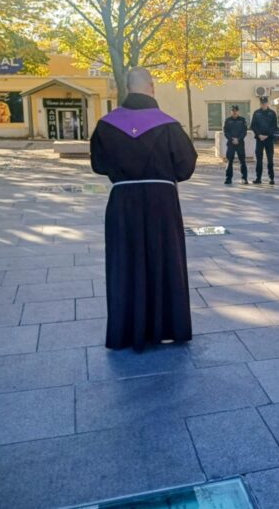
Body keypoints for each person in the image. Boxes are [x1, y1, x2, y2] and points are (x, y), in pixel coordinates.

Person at [90, 67, 197, 351]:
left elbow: (99, 165)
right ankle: (166, 327)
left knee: (126, 263)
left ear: (126, 88)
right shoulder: (168, 124)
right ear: (151, 87)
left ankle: (128, 331)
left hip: (123, 201)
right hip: (161, 201)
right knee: (165, 260)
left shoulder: (106, 124)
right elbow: (185, 167)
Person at [250, 96, 278, 185]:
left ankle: (271, 178)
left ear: (268, 103)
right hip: (259, 140)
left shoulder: (272, 113)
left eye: (265, 102)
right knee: (259, 160)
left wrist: (267, 135)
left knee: (270, 160)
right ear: (260, 104)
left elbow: (274, 126)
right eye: (262, 103)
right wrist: (259, 135)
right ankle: (258, 178)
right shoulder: (256, 113)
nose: (263, 104)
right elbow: (253, 126)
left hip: (269, 140)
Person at [223, 105, 248, 185]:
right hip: (231, 143)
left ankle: (244, 179)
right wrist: (232, 139)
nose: (234, 112)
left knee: (242, 161)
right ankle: (228, 178)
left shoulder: (242, 120)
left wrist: (238, 139)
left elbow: (244, 132)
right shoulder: (227, 120)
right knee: (229, 161)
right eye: (233, 110)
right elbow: (226, 132)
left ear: (238, 111)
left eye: (236, 110)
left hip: (240, 143)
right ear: (231, 111)